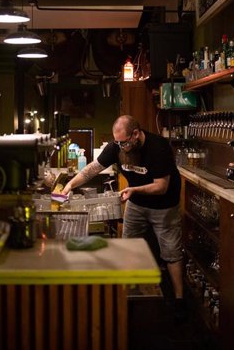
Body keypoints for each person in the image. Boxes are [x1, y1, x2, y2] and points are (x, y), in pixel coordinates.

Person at [61, 115, 186, 319]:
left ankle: (180, 299)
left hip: (164, 206)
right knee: (128, 246)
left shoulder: (158, 147)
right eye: (117, 142)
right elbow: (93, 168)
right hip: (137, 204)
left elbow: (161, 187)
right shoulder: (117, 147)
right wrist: (70, 185)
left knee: (171, 252)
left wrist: (134, 189)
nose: (120, 147)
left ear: (135, 134)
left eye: (124, 142)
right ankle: (128, 293)